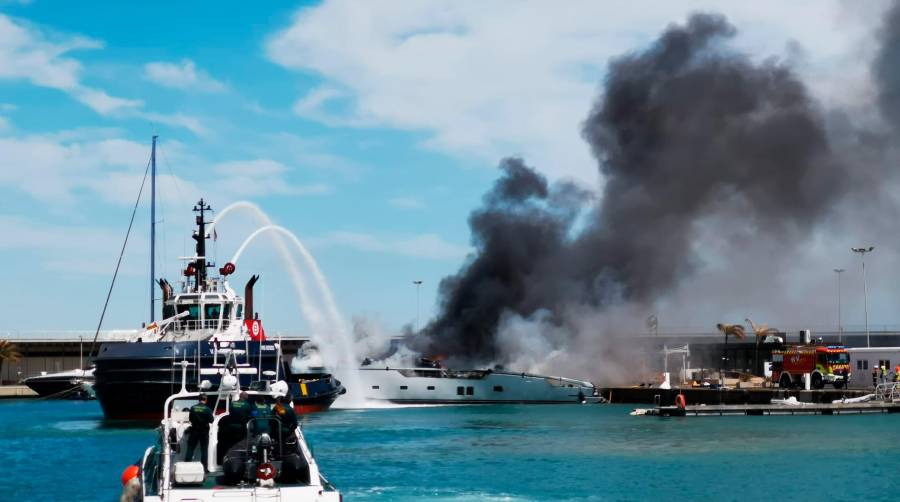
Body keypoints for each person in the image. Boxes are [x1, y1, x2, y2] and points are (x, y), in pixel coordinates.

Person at [185, 394, 214, 469]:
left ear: (198, 399)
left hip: (194, 430)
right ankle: (204, 467)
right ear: (206, 399)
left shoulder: (193, 408)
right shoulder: (207, 409)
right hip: (204, 432)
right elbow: (212, 420)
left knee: (190, 448)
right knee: (204, 450)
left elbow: (190, 419)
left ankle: (187, 465)